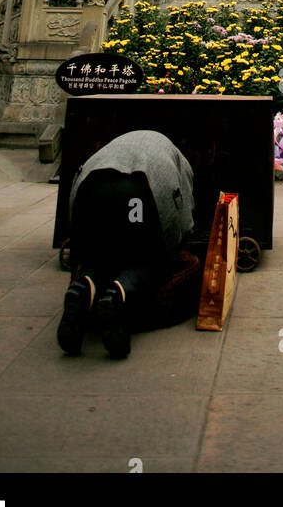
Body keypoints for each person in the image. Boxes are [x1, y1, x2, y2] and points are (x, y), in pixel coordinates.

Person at [57, 129, 195, 359]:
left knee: (99, 256)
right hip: (136, 196)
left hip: (88, 192)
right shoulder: (181, 162)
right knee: (145, 259)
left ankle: (84, 285)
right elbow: (183, 216)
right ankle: (118, 294)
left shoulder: (119, 142)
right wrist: (176, 246)